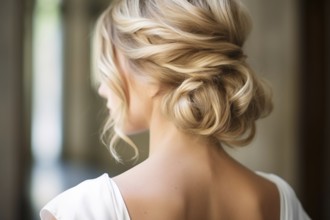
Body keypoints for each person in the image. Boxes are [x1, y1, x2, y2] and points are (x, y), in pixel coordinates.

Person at [40, 0, 311, 219]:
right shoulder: (279, 200)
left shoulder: (85, 210)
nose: (102, 87)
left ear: (152, 76)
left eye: (108, 65)